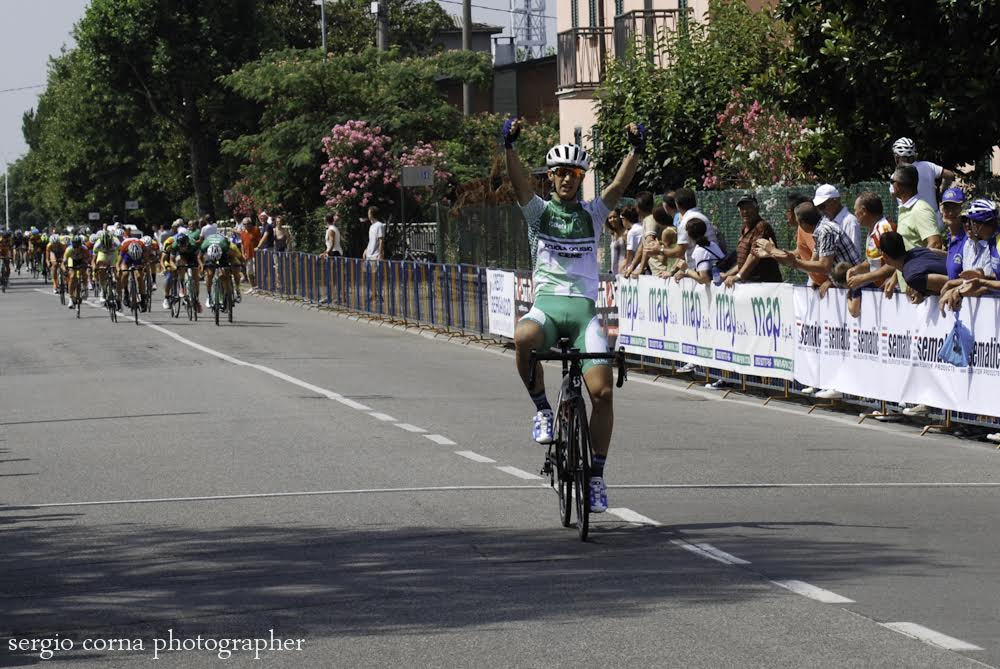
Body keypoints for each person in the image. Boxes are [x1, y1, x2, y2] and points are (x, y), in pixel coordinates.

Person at [502, 116, 641, 513]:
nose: (566, 179)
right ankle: (544, 411)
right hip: (547, 309)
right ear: (550, 177)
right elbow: (518, 184)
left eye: (574, 174)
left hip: (583, 316)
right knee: (523, 337)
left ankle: (596, 476)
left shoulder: (593, 214)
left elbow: (618, 186)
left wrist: (636, 150)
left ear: (580, 178)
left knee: (603, 392)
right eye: (560, 173)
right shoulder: (539, 213)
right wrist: (509, 148)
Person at [886, 164, 942, 297]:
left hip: (921, 293)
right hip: (910, 288)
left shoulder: (920, 209)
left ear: (898, 185)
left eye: (892, 182)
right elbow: (907, 250)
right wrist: (895, 277)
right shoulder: (905, 209)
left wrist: (920, 285)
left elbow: (935, 244)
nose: (891, 185)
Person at [939, 198, 1000, 314]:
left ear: (979, 224)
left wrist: (982, 282)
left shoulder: (998, 243)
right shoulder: (992, 241)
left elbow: (986, 284)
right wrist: (983, 278)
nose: (970, 226)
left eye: (972, 222)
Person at [844, 191, 896, 317]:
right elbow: (873, 261)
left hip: (890, 291)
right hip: (879, 290)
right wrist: (856, 269)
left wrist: (863, 278)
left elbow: (894, 264)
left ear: (863, 211)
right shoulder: (872, 230)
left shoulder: (884, 230)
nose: (855, 215)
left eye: (855, 211)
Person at [891, 137, 956, 229]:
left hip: (912, 223)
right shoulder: (928, 166)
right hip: (934, 220)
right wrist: (943, 189)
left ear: (897, 157)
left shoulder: (895, 176)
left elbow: (894, 197)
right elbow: (950, 175)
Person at [723, 193, 782, 287]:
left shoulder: (761, 226)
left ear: (757, 209)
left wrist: (738, 276)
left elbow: (754, 255)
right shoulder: (744, 229)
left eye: (748, 207)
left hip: (765, 285)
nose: (745, 211)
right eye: (742, 208)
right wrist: (727, 275)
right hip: (750, 286)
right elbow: (743, 261)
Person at [878, 230, 949, 299]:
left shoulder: (912, 276)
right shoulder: (917, 250)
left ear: (885, 256)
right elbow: (949, 256)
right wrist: (922, 292)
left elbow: (948, 282)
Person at [813, 184, 862, 253]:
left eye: (822, 206)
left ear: (835, 202)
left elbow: (854, 253)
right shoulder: (825, 220)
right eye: (818, 207)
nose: (821, 211)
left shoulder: (849, 222)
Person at [239, 217, 262, 290]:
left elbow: (260, 240)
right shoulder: (242, 233)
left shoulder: (256, 230)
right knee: (249, 272)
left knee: (256, 271)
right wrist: (242, 253)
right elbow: (242, 244)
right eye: (245, 224)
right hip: (247, 255)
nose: (247, 225)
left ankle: (258, 287)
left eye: (248, 224)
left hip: (255, 254)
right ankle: (253, 287)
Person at [621, 206, 643, 274]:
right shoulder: (643, 227)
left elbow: (630, 253)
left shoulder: (632, 232)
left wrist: (626, 268)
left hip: (636, 268)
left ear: (625, 218)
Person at [604, 208, 626, 275]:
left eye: (614, 217)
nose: (612, 220)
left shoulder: (626, 232)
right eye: (610, 218)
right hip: (614, 272)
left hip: (624, 271)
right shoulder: (613, 235)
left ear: (620, 217)